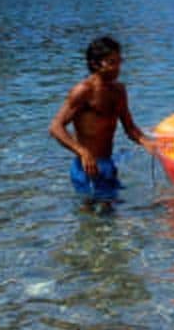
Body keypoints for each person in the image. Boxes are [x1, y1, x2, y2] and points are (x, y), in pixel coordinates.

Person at [49, 37, 152, 205]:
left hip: (107, 164)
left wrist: (148, 143)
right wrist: (82, 152)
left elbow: (130, 128)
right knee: (92, 217)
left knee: (111, 212)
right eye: (112, 62)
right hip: (87, 167)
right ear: (96, 64)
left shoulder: (119, 90)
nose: (118, 67)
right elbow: (55, 127)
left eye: (119, 61)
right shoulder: (83, 91)